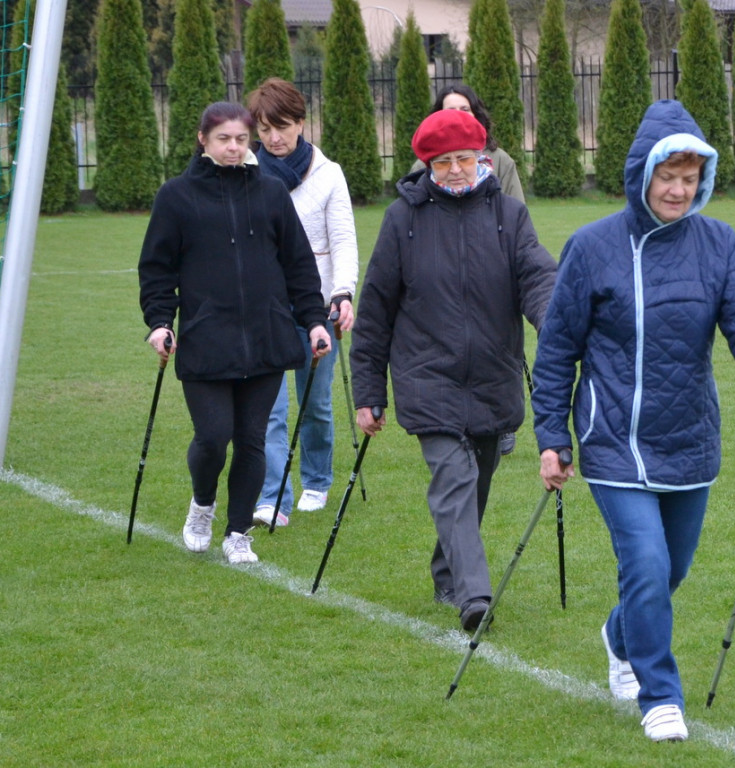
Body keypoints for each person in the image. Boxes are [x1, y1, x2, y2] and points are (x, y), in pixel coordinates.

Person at [530, 100, 735, 742]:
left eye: (690, 178)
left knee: (670, 572)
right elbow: (556, 352)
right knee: (648, 567)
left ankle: (618, 634)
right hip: (613, 443)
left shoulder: (719, 244)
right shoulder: (592, 247)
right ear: (642, 174)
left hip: (689, 440)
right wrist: (552, 437)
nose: (679, 190)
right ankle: (660, 695)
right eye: (668, 176)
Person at [349, 109, 557, 632]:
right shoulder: (404, 220)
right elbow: (375, 311)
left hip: (492, 374)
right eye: (443, 163)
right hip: (427, 375)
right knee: (454, 477)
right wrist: (368, 392)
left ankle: (447, 572)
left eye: (465, 159)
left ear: (483, 158)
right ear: (427, 166)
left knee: (477, 482)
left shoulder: (510, 216)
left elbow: (538, 276)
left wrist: (556, 321)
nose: (457, 171)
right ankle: (475, 597)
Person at [139, 101, 331, 565]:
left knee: (251, 440)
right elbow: (157, 269)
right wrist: (160, 322)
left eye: (242, 140)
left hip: (265, 338)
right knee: (212, 436)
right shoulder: (176, 197)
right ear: (203, 140)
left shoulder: (270, 193)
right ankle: (202, 504)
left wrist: (314, 320)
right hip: (207, 341)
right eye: (224, 138)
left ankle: (238, 532)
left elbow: (299, 266)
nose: (233, 147)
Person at [245, 78, 359, 527]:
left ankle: (316, 480)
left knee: (314, 403)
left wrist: (343, 293)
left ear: (301, 123)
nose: (275, 137)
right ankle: (273, 497)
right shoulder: (246, 169)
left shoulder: (328, 174)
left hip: (317, 309)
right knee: (269, 407)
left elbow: (344, 240)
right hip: (263, 308)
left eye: (284, 126)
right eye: (266, 127)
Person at [412, 83, 526, 455]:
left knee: (499, 345)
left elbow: (516, 213)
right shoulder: (424, 165)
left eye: (466, 109)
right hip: (442, 274)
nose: (459, 116)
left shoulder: (500, 160)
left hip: (493, 266)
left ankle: (501, 423)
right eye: (450, 109)